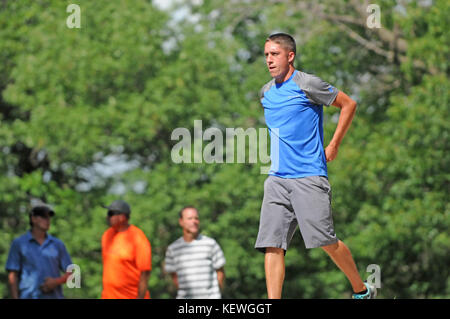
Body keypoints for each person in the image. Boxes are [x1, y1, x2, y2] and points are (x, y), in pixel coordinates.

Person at [255, 33, 376, 299]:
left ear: (290, 56)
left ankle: (362, 290)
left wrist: (333, 145)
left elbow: (348, 104)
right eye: (266, 55)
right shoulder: (266, 93)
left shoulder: (307, 84)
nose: (269, 60)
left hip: (309, 177)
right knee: (271, 245)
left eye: (274, 54)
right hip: (276, 179)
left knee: (325, 240)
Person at [5, 201, 73, 299]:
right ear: (33, 219)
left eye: (49, 217)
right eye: (44, 217)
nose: (48, 220)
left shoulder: (57, 244)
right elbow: (13, 275)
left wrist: (56, 282)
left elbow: (73, 273)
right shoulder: (19, 243)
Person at [164, 206, 226, 299]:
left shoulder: (210, 244)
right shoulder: (173, 249)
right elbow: (174, 277)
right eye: (190, 218)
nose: (194, 221)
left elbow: (220, 272)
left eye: (196, 218)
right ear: (181, 222)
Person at [101, 199, 152, 299]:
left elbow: (145, 274)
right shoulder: (107, 235)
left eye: (111, 214)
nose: (107, 217)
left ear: (122, 217)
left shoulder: (138, 238)